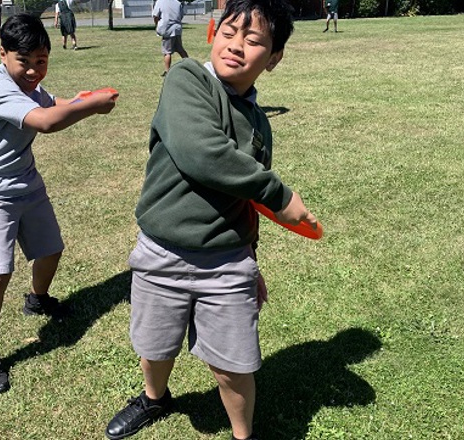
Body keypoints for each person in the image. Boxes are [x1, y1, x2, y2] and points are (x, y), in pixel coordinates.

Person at [105, 0, 317, 439]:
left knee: (233, 365)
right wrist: (281, 196)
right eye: (229, 33)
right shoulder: (188, 80)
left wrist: (251, 259)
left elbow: (247, 202)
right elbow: (203, 154)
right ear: (213, 34)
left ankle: (243, 434)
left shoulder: (260, 124)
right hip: (161, 250)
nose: (237, 46)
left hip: (227, 261)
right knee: (155, 346)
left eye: (254, 40)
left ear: (274, 59)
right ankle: (154, 397)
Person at [0, 13, 118, 394]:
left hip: (25, 182)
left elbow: (53, 102)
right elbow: (45, 121)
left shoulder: (29, 87)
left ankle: (38, 300)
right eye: (23, 61)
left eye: (40, 62)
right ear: (3, 55)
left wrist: (86, 98)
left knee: (50, 249)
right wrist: (91, 107)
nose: (32, 71)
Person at [152, 0, 189, 76]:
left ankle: (167, 71)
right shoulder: (177, 2)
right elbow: (181, 15)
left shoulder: (160, 2)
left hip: (167, 29)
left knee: (167, 52)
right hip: (177, 28)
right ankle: (190, 65)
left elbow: (156, 15)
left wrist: (157, 25)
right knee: (180, 49)